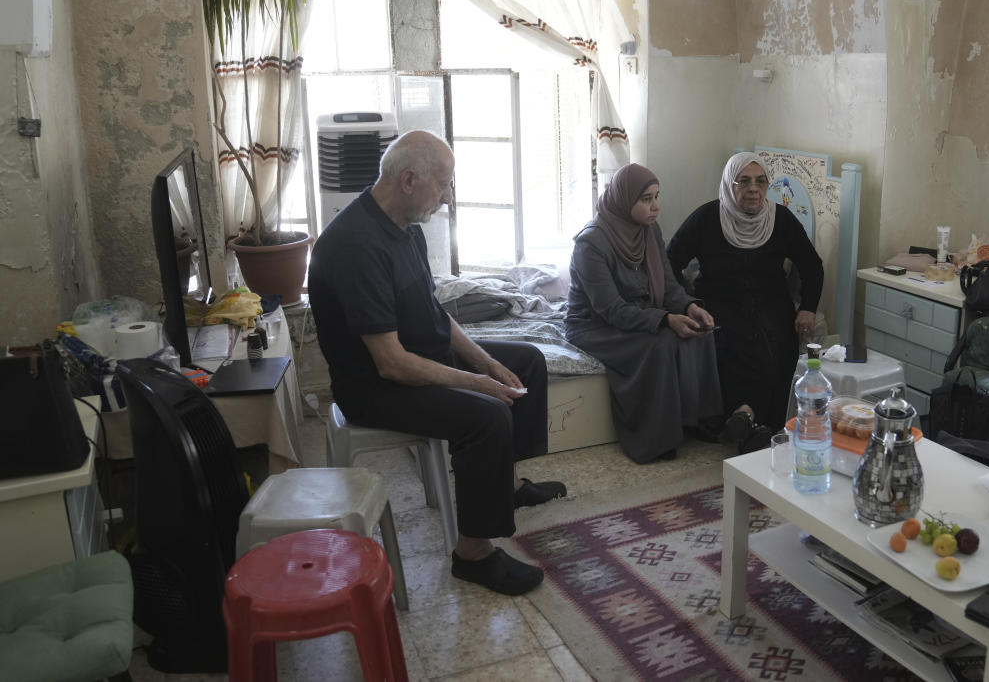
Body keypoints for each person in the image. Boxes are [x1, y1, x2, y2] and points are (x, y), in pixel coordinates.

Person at [307, 130, 565, 597]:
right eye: (444, 185)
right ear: (409, 180)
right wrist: (477, 384)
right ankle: (474, 554)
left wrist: (486, 362)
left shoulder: (407, 229)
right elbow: (390, 363)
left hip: (417, 356)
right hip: (375, 387)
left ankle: (506, 484)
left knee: (525, 362)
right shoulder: (355, 247)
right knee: (485, 415)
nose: (448, 197)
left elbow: (434, 313)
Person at [565, 163, 725, 463]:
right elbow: (610, 309)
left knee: (700, 330)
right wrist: (665, 319)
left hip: (639, 312)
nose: (656, 207)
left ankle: (700, 420)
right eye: (646, 199)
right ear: (625, 201)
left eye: (657, 197)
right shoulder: (590, 244)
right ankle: (655, 438)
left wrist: (689, 307)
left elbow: (668, 286)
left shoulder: (649, 231)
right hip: (593, 325)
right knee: (661, 342)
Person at [667, 152, 824, 442]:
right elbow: (669, 260)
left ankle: (748, 418)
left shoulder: (781, 219)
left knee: (777, 345)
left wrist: (808, 308)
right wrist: (685, 303)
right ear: (730, 184)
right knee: (729, 343)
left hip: (771, 302)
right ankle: (752, 420)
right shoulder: (707, 218)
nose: (754, 189)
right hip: (718, 302)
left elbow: (812, 266)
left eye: (761, 181)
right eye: (745, 181)